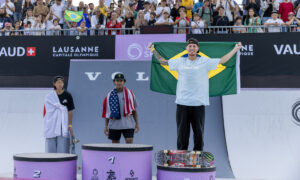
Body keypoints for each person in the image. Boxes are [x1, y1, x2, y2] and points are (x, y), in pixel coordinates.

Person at [148, 38, 242, 151]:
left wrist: (235, 49)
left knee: (199, 134)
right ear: (186, 48)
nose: (192, 48)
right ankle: (181, 157)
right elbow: (163, 61)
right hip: (182, 103)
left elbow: (222, 60)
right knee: (182, 134)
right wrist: (153, 50)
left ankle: (198, 158)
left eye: (194, 46)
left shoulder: (205, 61)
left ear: (197, 49)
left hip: (198, 103)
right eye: (190, 46)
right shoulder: (179, 61)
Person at [102, 73, 139, 144]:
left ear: (124, 82)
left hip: (128, 124)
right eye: (117, 81)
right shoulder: (109, 96)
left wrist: (137, 123)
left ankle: (129, 156)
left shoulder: (130, 94)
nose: (119, 82)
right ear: (114, 82)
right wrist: (106, 126)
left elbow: (134, 110)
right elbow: (107, 113)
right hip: (114, 125)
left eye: (121, 81)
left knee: (129, 142)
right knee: (115, 145)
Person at [43, 76, 75, 153]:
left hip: (63, 125)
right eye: (58, 82)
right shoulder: (49, 97)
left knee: (63, 148)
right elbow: (47, 112)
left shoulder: (68, 95)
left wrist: (69, 125)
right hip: (51, 125)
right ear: (54, 84)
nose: (60, 84)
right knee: (50, 148)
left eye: (62, 82)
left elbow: (70, 111)